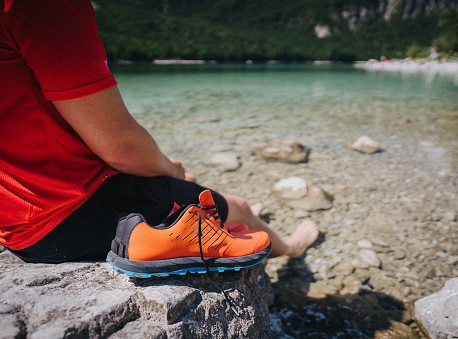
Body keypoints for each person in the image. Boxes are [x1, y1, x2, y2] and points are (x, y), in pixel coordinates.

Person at [0, 0, 318, 275]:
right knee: (236, 204)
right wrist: (171, 170)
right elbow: (121, 148)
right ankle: (291, 248)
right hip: (69, 216)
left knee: (178, 183)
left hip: (19, 222)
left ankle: (223, 213)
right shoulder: (42, 7)